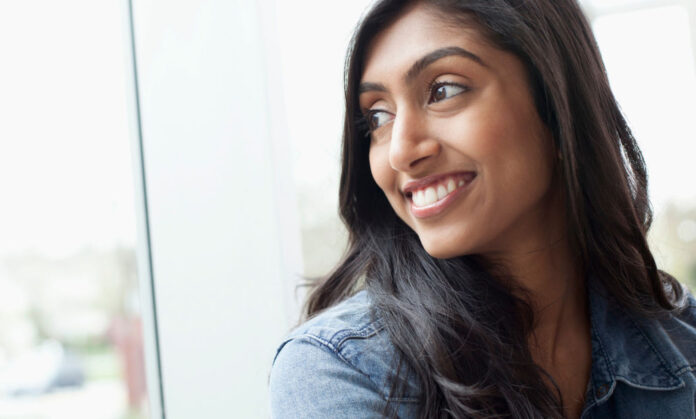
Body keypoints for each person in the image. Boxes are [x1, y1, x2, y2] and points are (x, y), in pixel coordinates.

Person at [268, 0, 696, 418]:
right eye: (378, 117)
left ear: (558, 105)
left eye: (443, 91)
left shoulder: (683, 341)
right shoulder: (340, 371)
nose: (399, 151)